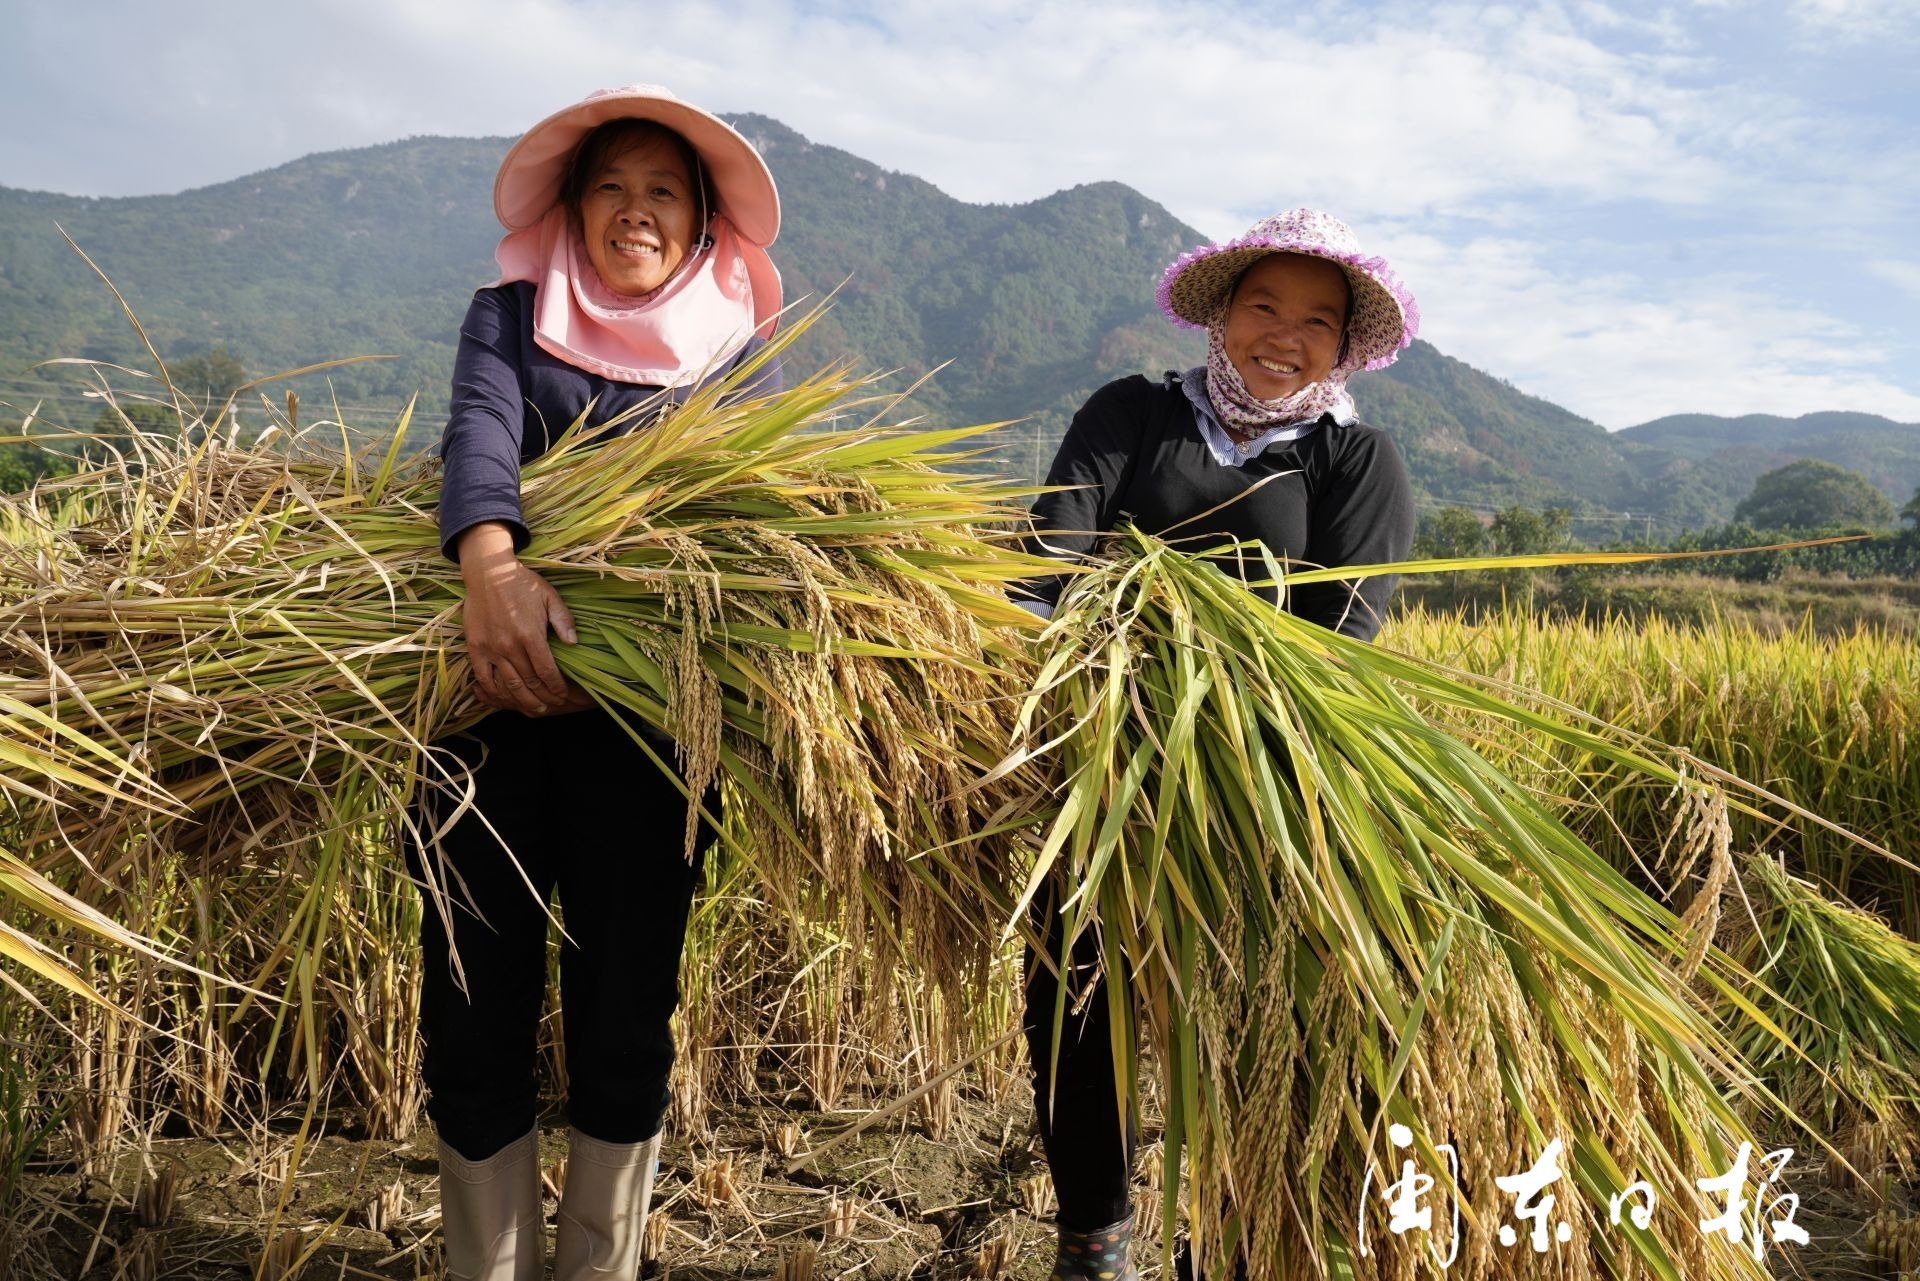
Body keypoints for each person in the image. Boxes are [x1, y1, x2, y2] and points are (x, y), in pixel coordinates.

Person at [413, 85, 782, 1281]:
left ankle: (599, 1269)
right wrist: (493, 567)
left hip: (650, 735)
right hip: (482, 710)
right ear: (572, 211)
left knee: (626, 1015)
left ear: (700, 224)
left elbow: (740, 531)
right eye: (612, 188)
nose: (636, 211)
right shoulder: (510, 316)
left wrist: (620, 652)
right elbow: (479, 431)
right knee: (474, 1005)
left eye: (662, 192)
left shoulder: (734, 353)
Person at [1014, 209, 1418, 1281]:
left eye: (1316, 322)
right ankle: (1095, 1240)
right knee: (1075, 1001)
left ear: (1345, 347)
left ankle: (1225, 1242)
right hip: (1102, 767)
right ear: (1224, 314)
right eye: (1263, 306)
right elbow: (1049, 557)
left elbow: (1342, 643)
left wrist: (1221, 722)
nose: (1283, 335)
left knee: (1242, 1021)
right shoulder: (1135, 414)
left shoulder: (1356, 460)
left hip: (1262, 793)